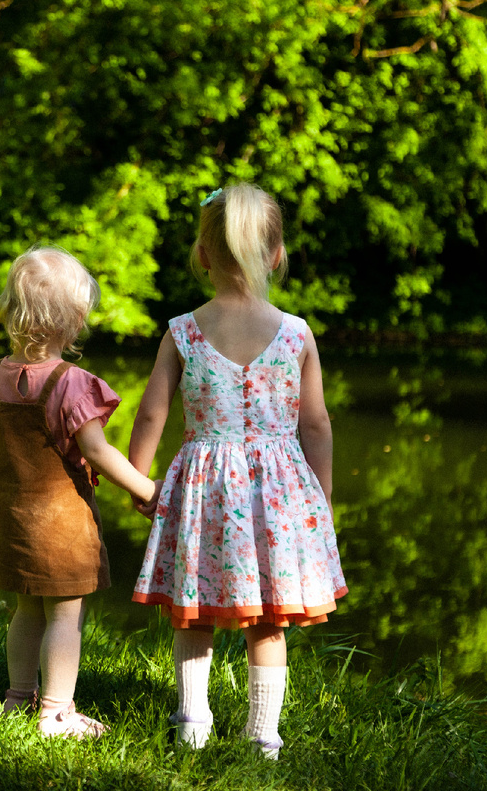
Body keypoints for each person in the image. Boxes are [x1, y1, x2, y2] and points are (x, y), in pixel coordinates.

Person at [128, 184, 347, 755]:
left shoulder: (182, 331)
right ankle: (262, 733)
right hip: (277, 497)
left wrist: (139, 478)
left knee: (193, 607)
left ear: (202, 254)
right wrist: (319, 502)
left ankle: (192, 721)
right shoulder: (297, 333)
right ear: (277, 254)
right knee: (268, 618)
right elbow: (317, 424)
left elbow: (153, 410)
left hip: (202, 488)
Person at [0, 245, 159, 740]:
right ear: (74, 322)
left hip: (13, 518)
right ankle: (55, 713)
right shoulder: (71, 384)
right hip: (62, 525)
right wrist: (147, 488)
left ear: (10, 312)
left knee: (27, 608)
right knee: (65, 615)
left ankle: (16, 698)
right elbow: (97, 451)